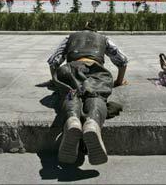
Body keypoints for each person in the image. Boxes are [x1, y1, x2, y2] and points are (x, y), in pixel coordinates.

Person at [47, 21, 128, 165]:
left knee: (71, 93)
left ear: (82, 29)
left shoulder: (71, 37)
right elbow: (122, 61)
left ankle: (72, 120)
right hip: (95, 69)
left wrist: (56, 81)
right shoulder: (103, 38)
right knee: (96, 94)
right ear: (95, 31)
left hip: (71, 68)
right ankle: (92, 123)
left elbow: (53, 62)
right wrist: (119, 81)